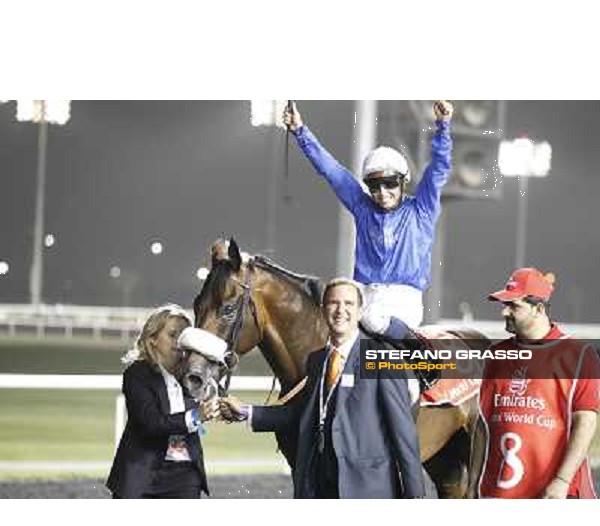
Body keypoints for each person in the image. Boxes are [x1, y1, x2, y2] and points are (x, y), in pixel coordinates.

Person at [218, 278, 425, 499]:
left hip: (368, 489)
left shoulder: (381, 357)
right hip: (319, 486)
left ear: (359, 311)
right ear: (323, 310)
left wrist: (416, 495)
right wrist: (247, 412)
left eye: (348, 304)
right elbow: (302, 414)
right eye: (333, 303)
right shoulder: (316, 361)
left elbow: (403, 432)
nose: (340, 310)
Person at [283, 100, 453, 339]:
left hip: (403, 303)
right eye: (374, 186)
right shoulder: (362, 207)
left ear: (403, 182)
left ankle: (414, 349)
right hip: (363, 297)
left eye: (390, 184)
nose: (382, 193)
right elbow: (331, 170)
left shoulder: (422, 209)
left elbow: (438, 170)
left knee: (370, 320)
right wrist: (300, 131)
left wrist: (443, 126)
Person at [468, 268, 600, 499]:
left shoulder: (579, 355)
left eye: (514, 306)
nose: (504, 313)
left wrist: (562, 480)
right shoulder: (495, 355)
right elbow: (482, 426)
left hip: (555, 493)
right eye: (504, 304)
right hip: (495, 492)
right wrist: (473, 483)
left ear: (539, 309)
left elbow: (586, 422)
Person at [106, 304, 222, 499]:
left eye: (184, 337)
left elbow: (213, 393)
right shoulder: (136, 374)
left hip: (186, 476)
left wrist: (217, 403)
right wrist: (196, 416)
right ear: (152, 339)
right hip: (142, 476)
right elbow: (152, 423)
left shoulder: (192, 375)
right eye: (172, 335)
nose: (179, 342)